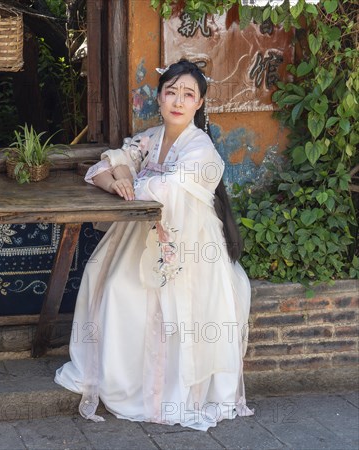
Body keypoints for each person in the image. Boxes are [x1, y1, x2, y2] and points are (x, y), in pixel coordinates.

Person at [55, 59, 253, 431]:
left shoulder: (202, 150)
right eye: (171, 92)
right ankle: (120, 383)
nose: (178, 101)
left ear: (199, 103)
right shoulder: (149, 140)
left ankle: (165, 392)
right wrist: (118, 178)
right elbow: (98, 170)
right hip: (140, 235)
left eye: (188, 94)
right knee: (111, 287)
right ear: (159, 98)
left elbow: (161, 191)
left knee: (166, 311)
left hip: (188, 245)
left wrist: (126, 176)